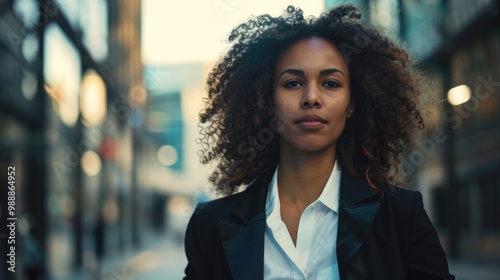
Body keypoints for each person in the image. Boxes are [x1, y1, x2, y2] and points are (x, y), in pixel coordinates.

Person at [184, 4, 455, 280]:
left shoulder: (400, 218)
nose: (311, 97)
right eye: (292, 83)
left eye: (331, 83)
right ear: (267, 102)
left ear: (352, 104)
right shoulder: (211, 225)